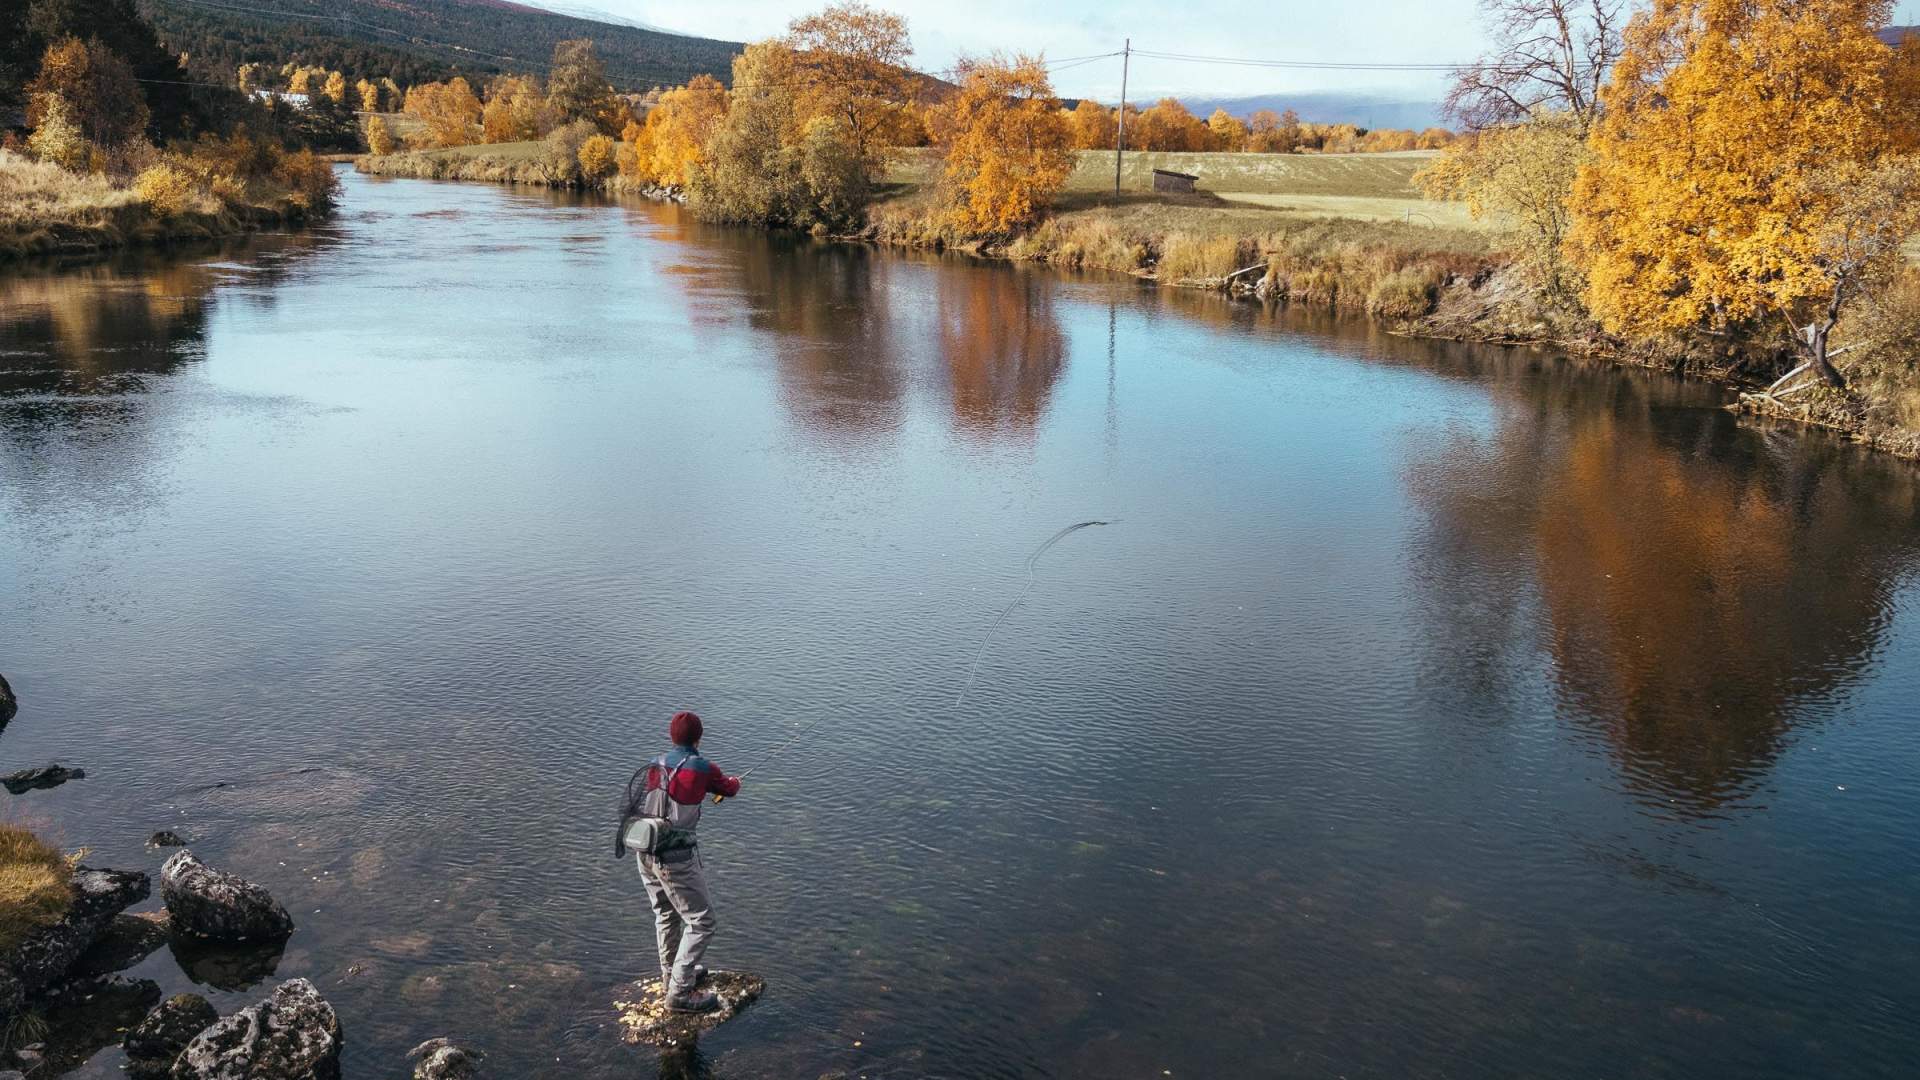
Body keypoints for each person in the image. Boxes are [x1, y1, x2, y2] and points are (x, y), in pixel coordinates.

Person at [616, 710, 742, 1013]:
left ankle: (671, 976)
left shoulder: (656, 764)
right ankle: (680, 993)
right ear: (699, 738)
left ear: (671, 737)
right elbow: (728, 789)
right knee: (702, 921)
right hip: (674, 857)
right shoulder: (703, 768)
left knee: (666, 914)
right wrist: (735, 782)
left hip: (645, 849)